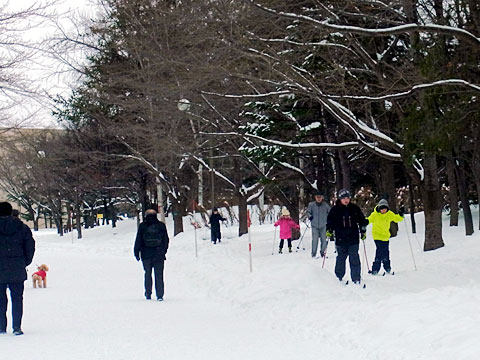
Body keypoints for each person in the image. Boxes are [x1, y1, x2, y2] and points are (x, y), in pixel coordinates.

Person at [0, 201, 35, 335]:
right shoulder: (22, 227)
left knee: (0, 300)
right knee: (17, 298)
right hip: (17, 268)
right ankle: (17, 327)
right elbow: (30, 246)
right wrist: (24, 262)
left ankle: (1, 327)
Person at [326, 189, 368, 284]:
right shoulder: (335, 210)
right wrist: (329, 230)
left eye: (348, 198)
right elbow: (330, 221)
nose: (346, 200)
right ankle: (338, 276)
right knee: (341, 257)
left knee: (354, 257)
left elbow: (361, 220)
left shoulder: (354, 208)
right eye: (344, 198)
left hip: (353, 237)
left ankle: (356, 277)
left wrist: (363, 230)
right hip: (341, 238)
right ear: (340, 199)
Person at [134, 209, 169, 301]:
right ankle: (160, 295)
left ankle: (148, 293)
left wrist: (137, 252)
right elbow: (166, 239)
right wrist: (163, 251)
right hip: (158, 254)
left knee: (147, 274)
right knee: (159, 274)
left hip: (146, 254)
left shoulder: (142, 226)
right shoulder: (161, 225)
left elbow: (139, 240)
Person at [367, 199, 404, 275]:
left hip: (386, 237)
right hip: (377, 236)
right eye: (382, 209)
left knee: (386, 252)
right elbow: (368, 220)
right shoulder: (375, 215)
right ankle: (375, 269)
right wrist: (363, 223)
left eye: (385, 209)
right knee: (380, 252)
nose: (383, 210)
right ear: (379, 208)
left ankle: (387, 268)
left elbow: (396, 219)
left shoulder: (389, 214)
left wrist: (401, 215)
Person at [307, 191, 331, 258]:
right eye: (317, 197)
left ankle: (323, 252)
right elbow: (308, 212)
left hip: (323, 225)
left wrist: (329, 219)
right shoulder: (311, 205)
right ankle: (313, 253)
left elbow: (330, 212)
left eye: (320, 197)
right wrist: (310, 216)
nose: (319, 198)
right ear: (315, 197)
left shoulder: (325, 205)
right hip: (314, 225)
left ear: (322, 197)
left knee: (324, 239)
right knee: (315, 240)